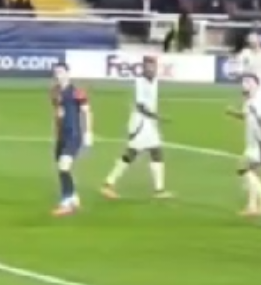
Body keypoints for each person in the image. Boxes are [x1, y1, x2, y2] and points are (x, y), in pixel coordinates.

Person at [101, 54, 171, 200]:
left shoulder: (154, 81)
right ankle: (109, 183)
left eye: (153, 65)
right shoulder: (140, 82)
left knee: (151, 152)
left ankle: (158, 189)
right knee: (134, 153)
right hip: (141, 123)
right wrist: (157, 117)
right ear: (143, 67)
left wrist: (155, 119)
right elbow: (140, 106)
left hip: (149, 124)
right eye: (148, 65)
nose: (151, 68)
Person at [228, 72, 261, 217]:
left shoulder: (260, 101)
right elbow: (246, 116)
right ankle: (252, 206)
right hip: (254, 144)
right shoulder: (249, 102)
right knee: (252, 173)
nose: (243, 85)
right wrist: (233, 113)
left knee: (242, 168)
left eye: (246, 82)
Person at [51, 62, 92, 217]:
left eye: (61, 72)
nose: (58, 75)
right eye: (56, 72)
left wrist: (88, 133)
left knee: (64, 167)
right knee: (62, 169)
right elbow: (58, 112)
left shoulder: (77, 92)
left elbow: (87, 112)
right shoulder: (54, 92)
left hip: (74, 135)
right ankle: (74, 198)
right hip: (61, 136)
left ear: (68, 73)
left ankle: (66, 202)